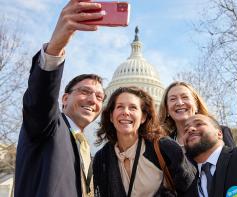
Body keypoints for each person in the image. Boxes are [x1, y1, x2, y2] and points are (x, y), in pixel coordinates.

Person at [15, 1, 105, 196]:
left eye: (99, 96)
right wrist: (55, 47)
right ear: (64, 98)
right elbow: (40, 98)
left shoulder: (86, 149)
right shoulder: (47, 125)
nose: (92, 100)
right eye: (85, 91)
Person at [93, 86, 196, 197]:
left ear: (143, 117)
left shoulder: (165, 148)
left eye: (133, 107)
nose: (126, 112)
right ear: (111, 116)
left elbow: (190, 189)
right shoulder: (101, 158)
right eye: (120, 107)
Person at [159, 81, 235, 149]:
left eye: (185, 97)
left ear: (196, 105)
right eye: (173, 99)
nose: (179, 103)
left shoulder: (219, 132)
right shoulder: (162, 145)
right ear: (166, 109)